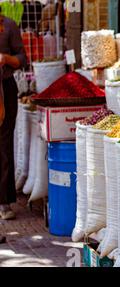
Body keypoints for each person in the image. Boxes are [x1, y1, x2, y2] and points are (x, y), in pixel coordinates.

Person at [0, 14, 27, 220]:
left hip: (5, 88)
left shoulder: (8, 25)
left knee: (4, 143)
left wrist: (6, 58)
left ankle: (5, 201)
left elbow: (22, 58)